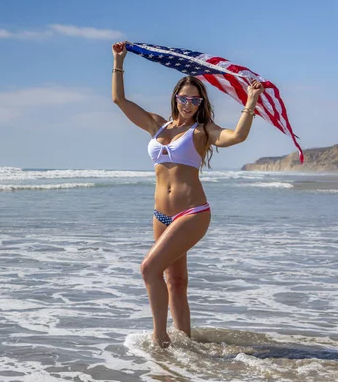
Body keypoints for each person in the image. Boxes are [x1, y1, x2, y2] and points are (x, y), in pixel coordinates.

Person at [111, 41, 264, 348]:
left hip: (192, 213)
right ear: (176, 98)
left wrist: (251, 101)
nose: (188, 103)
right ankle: (187, 344)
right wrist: (119, 61)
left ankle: (160, 340)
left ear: (200, 102)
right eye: (184, 98)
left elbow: (237, 136)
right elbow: (119, 100)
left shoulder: (203, 131)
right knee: (175, 282)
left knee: (148, 269)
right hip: (161, 215)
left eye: (194, 99)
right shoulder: (156, 124)